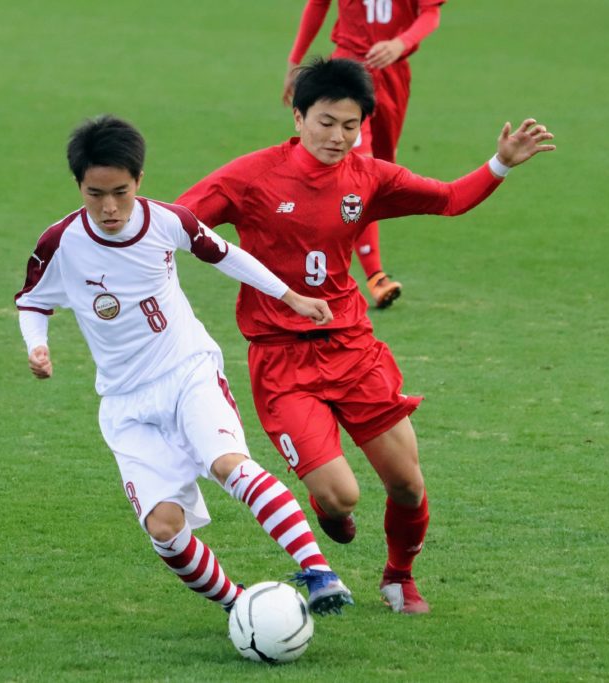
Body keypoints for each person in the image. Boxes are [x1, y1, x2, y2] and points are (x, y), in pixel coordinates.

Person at [177, 58, 554, 614]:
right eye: (326, 122)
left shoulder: (368, 176)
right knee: (342, 496)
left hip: (353, 349)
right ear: (299, 115)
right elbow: (175, 223)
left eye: (350, 126)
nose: (338, 137)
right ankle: (328, 507)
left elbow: (449, 198)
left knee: (407, 485)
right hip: (282, 361)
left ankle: (399, 578)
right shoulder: (249, 177)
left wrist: (500, 163)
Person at [13, 115, 354, 616]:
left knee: (228, 466)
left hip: (187, 371)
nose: (109, 207)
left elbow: (226, 255)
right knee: (165, 529)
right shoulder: (59, 243)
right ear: (79, 186)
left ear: (140, 181)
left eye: (121, 192)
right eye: (95, 193)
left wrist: (290, 296)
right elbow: (32, 301)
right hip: (125, 403)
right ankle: (242, 609)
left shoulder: (168, 221)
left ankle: (321, 573)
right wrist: (35, 345)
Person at [282, 0, 447, 309]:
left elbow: (431, 14)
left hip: (393, 73)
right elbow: (317, 6)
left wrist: (400, 43)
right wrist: (295, 60)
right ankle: (373, 275)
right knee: (355, 170)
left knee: (381, 173)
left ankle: (336, 243)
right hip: (348, 71)